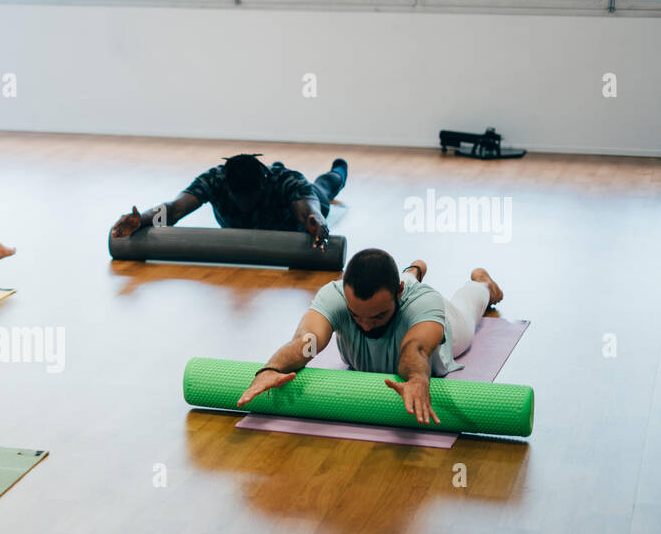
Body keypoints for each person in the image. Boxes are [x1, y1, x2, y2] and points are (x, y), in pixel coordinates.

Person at [235, 248, 504, 425]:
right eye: (356, 315)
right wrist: (272, 368)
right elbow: (308, 341)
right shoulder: (335, 295)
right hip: (399, 287)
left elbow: (416, 349)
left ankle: (482, 283)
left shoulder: (424, 303)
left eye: (377, 316)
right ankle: (412, 271)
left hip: (445, 326)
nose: (365, 326)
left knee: (469, 308)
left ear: (398, 293)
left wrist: (417, 378)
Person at [109, 153, 348, 250]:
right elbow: (173, 210)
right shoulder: (215, 180)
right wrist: (142, 220)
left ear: (263, 186)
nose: (245, 205)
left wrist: (317, 222)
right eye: (239, 198)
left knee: (325, 187)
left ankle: (339, 170)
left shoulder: (286, 181)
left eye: (251, 197)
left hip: (292, 223)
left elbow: (308, 210)